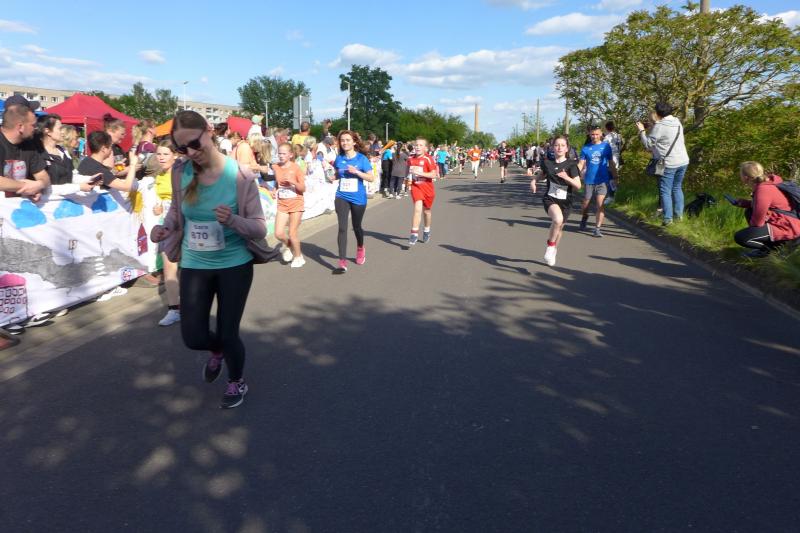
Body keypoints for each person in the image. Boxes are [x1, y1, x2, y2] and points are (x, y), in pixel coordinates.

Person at [150, 110, 267, 409]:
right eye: (182, 148)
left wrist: (233, 221)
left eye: (194, 143)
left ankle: (236, 380)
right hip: (194, 263)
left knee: (228, 333)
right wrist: (165, 228)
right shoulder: (181, 172)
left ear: (209, 132)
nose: (190, 152)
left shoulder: (240, 175)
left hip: (234, 265)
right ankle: (217, 352)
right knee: (193, 336)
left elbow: (259, 228)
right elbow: (176, 211)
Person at [528, 136, 581, 267]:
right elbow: (542, 175)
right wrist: (534, 181)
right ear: (552, 147)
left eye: (563, 145)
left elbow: (578, 186)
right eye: (557, 145)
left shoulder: (572, 165)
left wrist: (567, 177)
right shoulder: (547, 163)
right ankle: (551, 246)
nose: (559, 148)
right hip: (550, 198)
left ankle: (554, 249)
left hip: (566, 201)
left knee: (559, 227)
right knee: (557, 220)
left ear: (567, 148)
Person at [732, 161, 800, 257]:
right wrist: (746, 203)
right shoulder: (766, 184)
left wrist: (752, 232)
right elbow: (771, 206)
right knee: (749, 211)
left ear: (746, 177)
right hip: (786, 221)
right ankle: (772, 245)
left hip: (788, 226)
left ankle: (772, 250)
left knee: (741, 237)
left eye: (740, 174)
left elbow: (757, 222)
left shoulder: (763, 189)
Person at [637, 102, 689, 226]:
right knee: (677, 188)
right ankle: (679, 217)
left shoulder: (660, 126)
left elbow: (648, 145)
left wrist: (642, 131)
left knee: (665, 191)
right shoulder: (677, 121)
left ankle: (668, 219)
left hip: (669, 163)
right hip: (683, 160)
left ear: (658, 113)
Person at [331, 130, 375, 274]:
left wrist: (357, 172)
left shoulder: (362, 159)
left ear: (354, 142)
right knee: (342, 228)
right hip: (341, 196)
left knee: (357, 227)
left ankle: (360, 247)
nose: (344, 143)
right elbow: (337, 174)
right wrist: (333, 177)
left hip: (358, 198)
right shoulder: (339, 158)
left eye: (348, 140)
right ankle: (342, 262)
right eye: (342, 140)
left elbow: (371, 178)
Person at [0, 96, 51, 198]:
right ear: (20, 127)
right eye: (33, 125)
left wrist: (39, 185)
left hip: (20, 206)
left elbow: (44, 177)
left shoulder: (29, 145)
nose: (36, 128)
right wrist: (25, 187)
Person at [578, 125, 617, 237]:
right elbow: (581, 163)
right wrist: (575, 175)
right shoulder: (586, 148)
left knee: (600, 204)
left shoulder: (606, 146)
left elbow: (611, 162)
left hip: (602, 180)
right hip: (589, 180)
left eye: (596, 134)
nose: (594, 136)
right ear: (589, 135)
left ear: (601, 134)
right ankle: (584, 216)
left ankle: (597, 229)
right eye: (592, 134)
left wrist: (615, 176)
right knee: (586, 203)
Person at [273, 143, 306, 267]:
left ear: (291, 155)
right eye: (279, 153)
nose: (281, 156)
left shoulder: (296, 168)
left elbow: (303, 188)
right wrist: (274, 190)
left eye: (284, 154)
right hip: (282, 203)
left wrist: (293, 182)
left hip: (296, 202)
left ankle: (298, 257)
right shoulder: (276, 167)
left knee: (292, 233)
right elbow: (277, 183)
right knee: (278, 233)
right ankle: (287, 246)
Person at [407, 137, 438, 246]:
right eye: (416, 145)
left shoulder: (428, 159)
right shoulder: (410, 159)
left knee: (427, 212)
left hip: (428, 188)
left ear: (425, 148)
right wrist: (407, 181)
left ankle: (426, 230)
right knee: (417, 208)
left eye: (421, 145)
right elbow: (408, 172)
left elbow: (433, 174)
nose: (418, 147)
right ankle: (414, 233)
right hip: (416, 186)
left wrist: (420, 173)